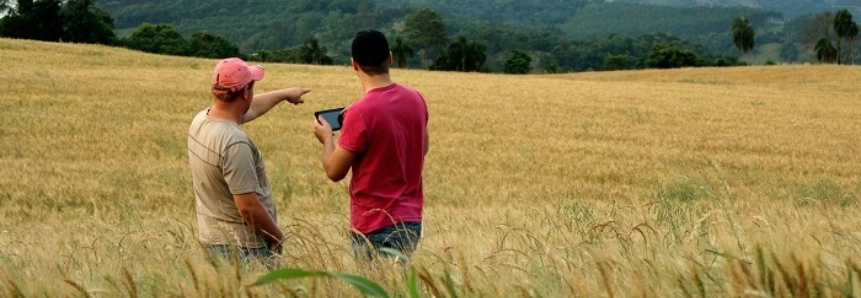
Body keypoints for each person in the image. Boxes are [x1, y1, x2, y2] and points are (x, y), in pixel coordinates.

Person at [313, 29, 430, 262]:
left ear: (354, 64)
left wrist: (327, 138)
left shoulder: (361, 112)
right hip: (410, 221)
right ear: (390, 57)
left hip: (374, 225)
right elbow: (422, 147)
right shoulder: (416, 98)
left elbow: (334, 171)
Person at [188, 57, 310, 262]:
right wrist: (277, 237)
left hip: (213, 240)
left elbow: (249, 108)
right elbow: (248, 207)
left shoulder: (202, 119)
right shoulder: (234, 143)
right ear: (245, 92)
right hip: (243, 249)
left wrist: (284, 94)